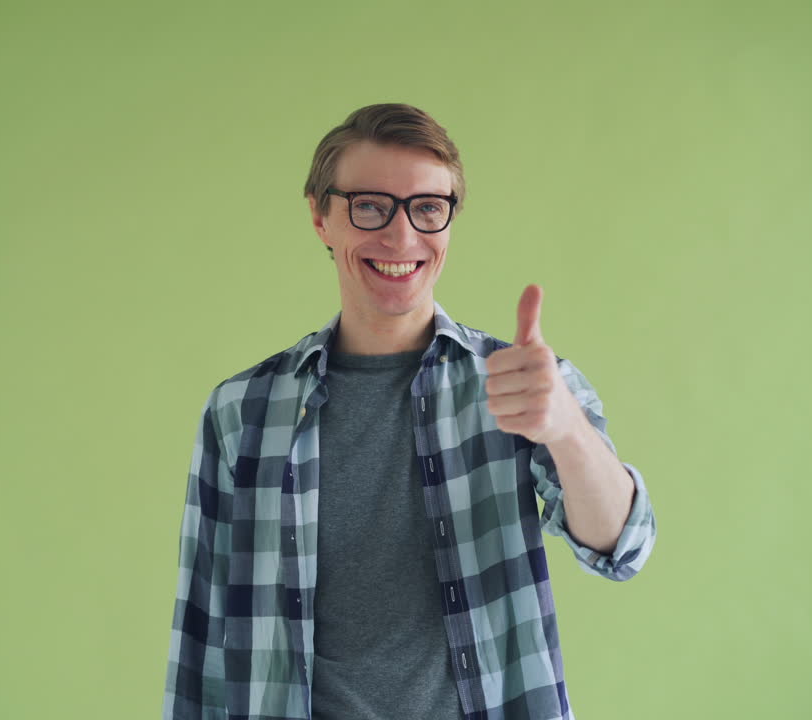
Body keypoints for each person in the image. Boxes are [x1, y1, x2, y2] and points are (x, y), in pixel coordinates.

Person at [162, 103, 657, 720]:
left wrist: (567, 432)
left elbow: (623, 546)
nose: (401, 237)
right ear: (320, 216)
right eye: (370, 206)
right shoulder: (242, 410)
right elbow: (203, 633)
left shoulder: (525, 385)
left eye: (427, 208)